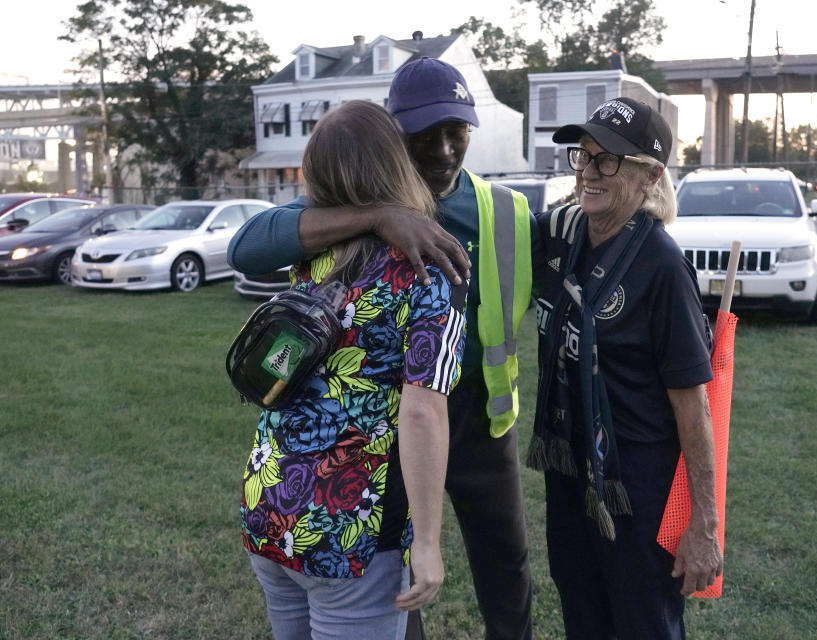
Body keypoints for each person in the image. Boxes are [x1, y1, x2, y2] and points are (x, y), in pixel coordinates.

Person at [230, 58, 536, 640]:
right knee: (391, 579)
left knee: (503, 565)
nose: (446, 150)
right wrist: (380, 215)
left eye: (458, 133)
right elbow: (246, 245)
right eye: (426, 137)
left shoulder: (504, 211)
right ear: (393, 142)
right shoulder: (342, 223)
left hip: (467, 421)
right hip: (381, 441)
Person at [239, 100, 468, 639]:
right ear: (397, 164)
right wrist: (428, 545)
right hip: (352, 534)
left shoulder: (311, 258)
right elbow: (423, 414)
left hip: (270, 505)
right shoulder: (428, 271)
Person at [528, 97, 723, 639]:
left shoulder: (661, 266)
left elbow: (693, 405)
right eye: (583, 156)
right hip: (570, 472)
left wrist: (704, 524)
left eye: (607, 160)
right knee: (583, 618)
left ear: (650, 176)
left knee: (643, 624)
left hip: (637, 485)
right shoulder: (565, 238)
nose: (588, 172)